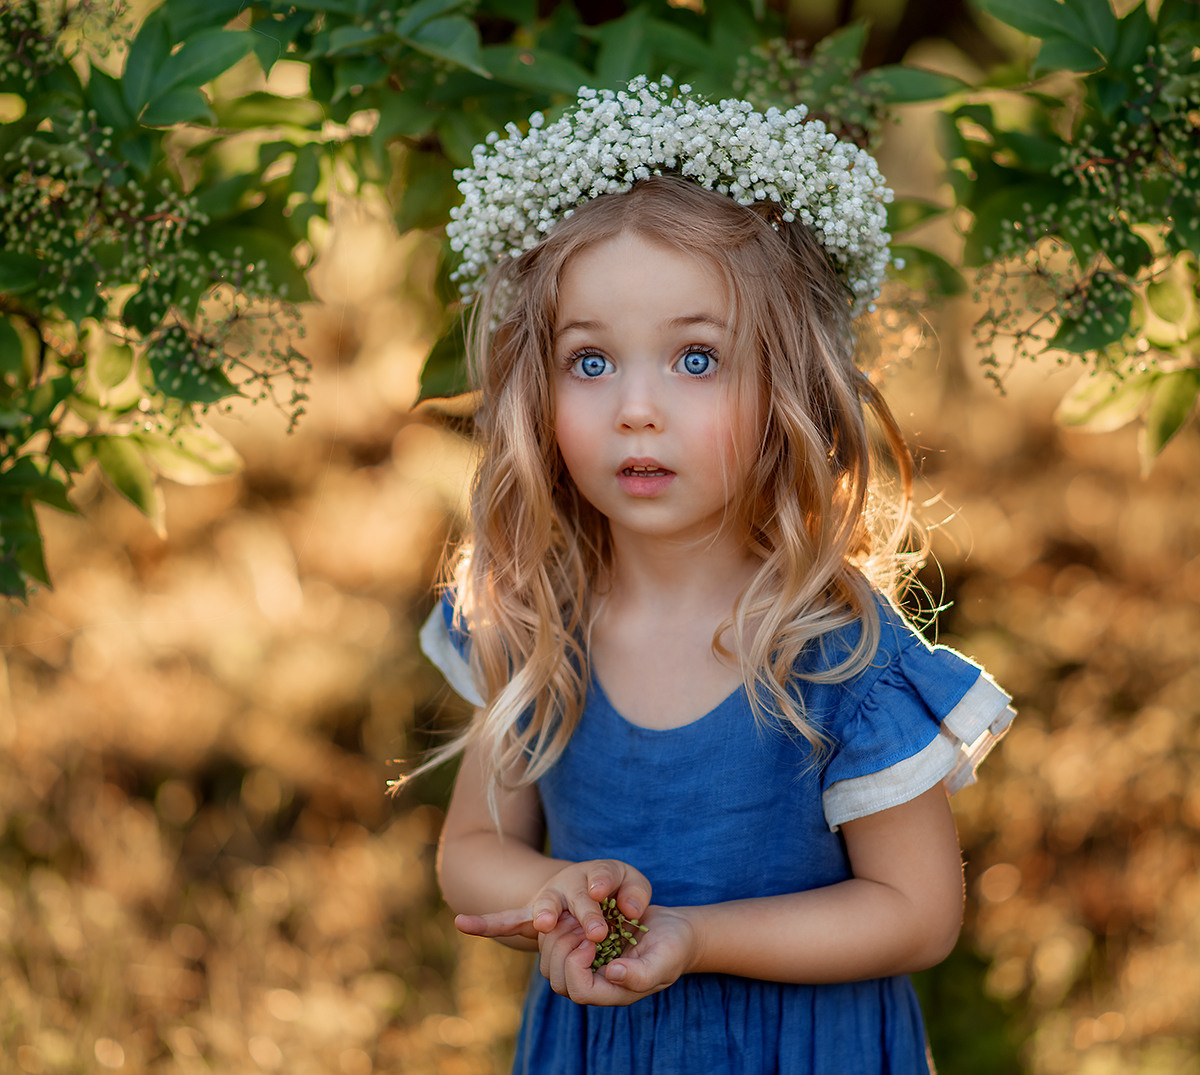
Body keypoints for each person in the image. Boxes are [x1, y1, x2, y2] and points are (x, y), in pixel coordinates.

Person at [414, 77, 1015, 1074]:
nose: (637, 409)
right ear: (538, 386)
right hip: (601, 1047)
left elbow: (917, 912)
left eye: (696, 359)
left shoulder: (840, 654)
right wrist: (564, 893)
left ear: (787, 384)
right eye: (591, 362)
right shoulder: (534, 621)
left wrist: (694, 937)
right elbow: (470, 850)